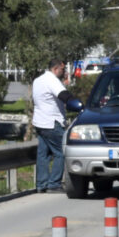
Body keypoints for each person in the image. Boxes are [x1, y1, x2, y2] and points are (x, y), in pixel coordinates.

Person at [30, 57, 77, 191]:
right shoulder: (52, 80)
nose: (64, 71)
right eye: (62, 69)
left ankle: (41, 184)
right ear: (56, 69)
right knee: (61, 152)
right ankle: (54, 184)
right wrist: (78, 104)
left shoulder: (38, 80)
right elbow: (64, 96)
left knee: (43, 154)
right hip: (52, 123)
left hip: (40, 122)